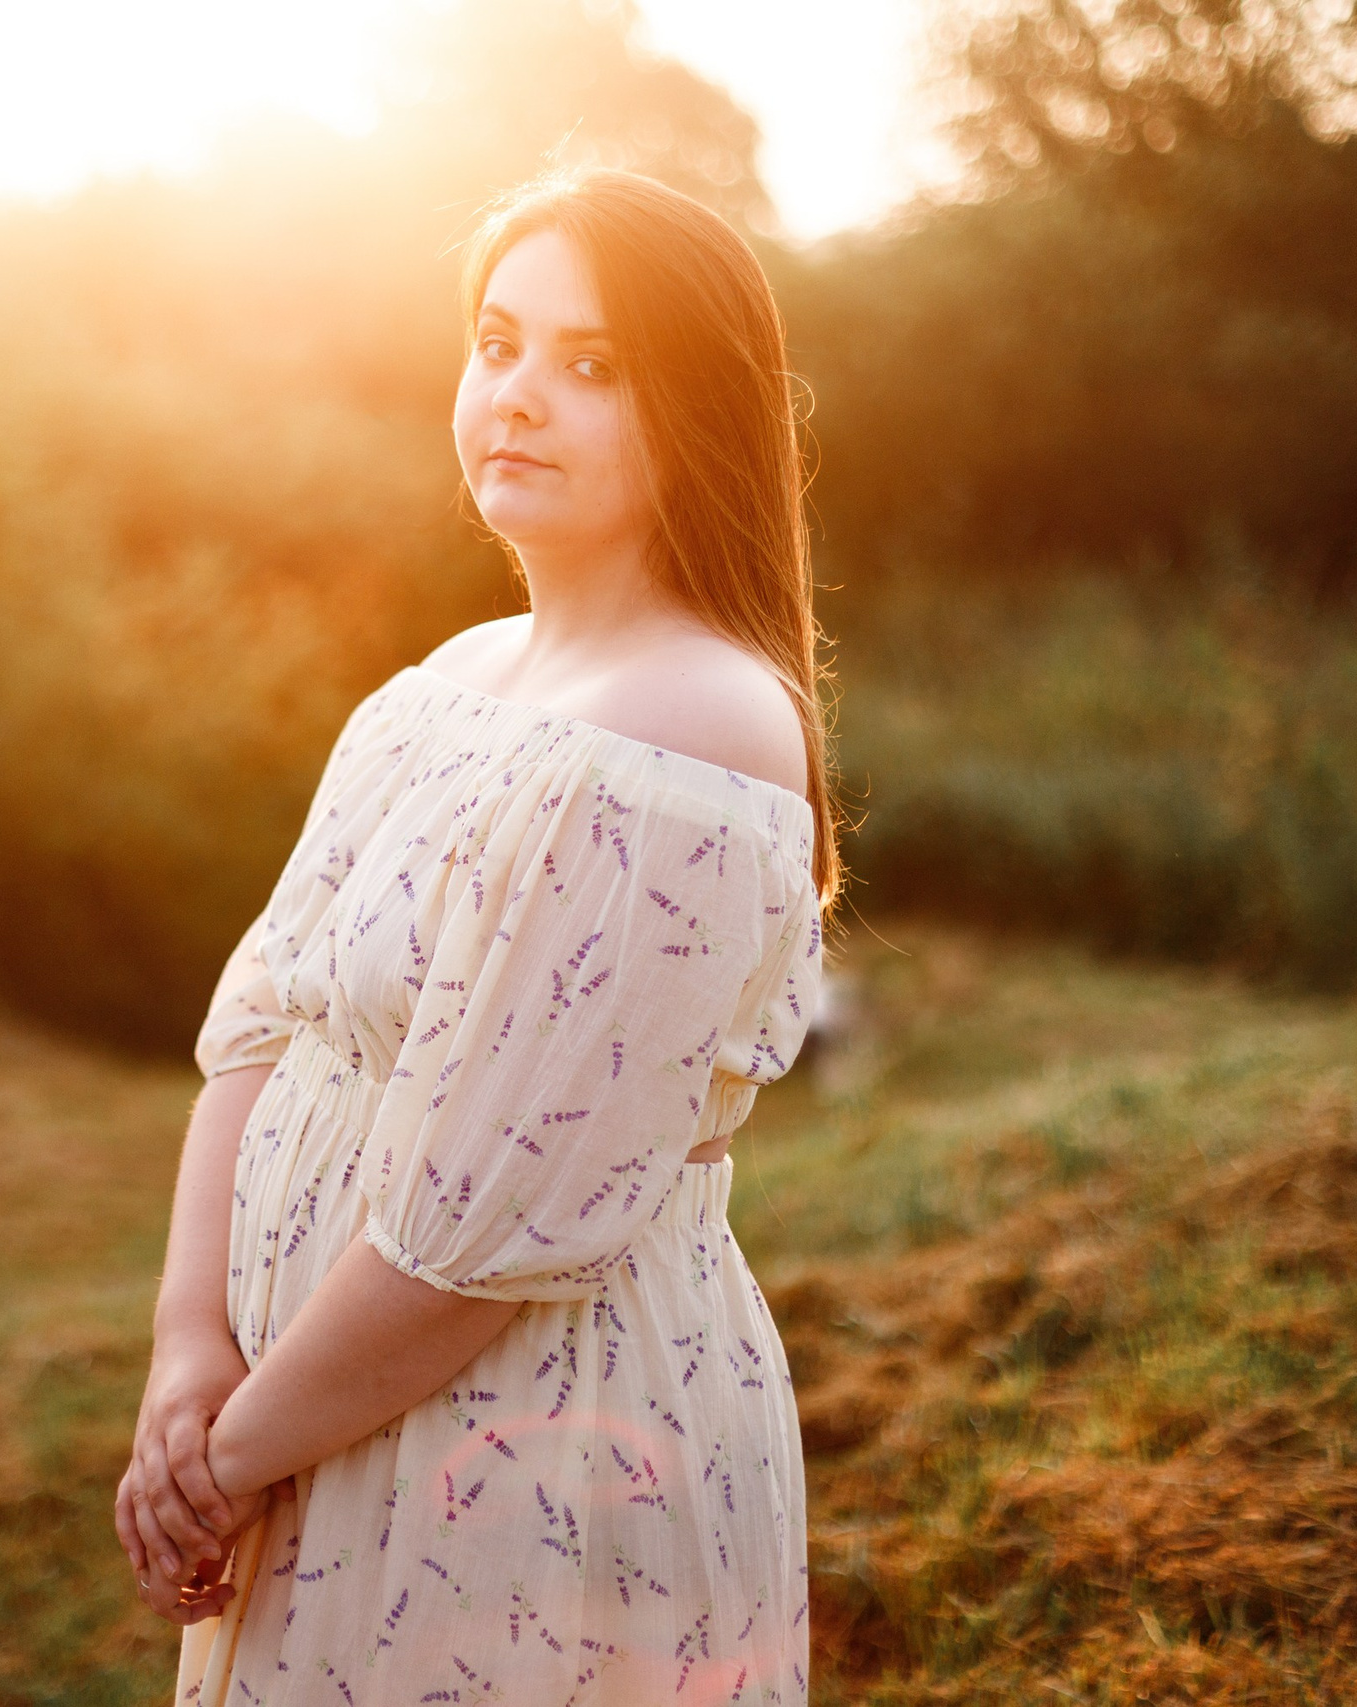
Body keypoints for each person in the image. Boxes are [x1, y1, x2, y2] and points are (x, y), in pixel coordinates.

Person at [114, 166, 844, 1706]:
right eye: (498, 343)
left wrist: (229, 1458)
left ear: (700, 411)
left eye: (592, 367)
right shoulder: (446, 681)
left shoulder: (693, 733)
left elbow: (475, 1234)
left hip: (521, 1440)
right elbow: (263, 1028)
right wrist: (191, 1349)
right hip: (302, 1406)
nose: (519, 396)